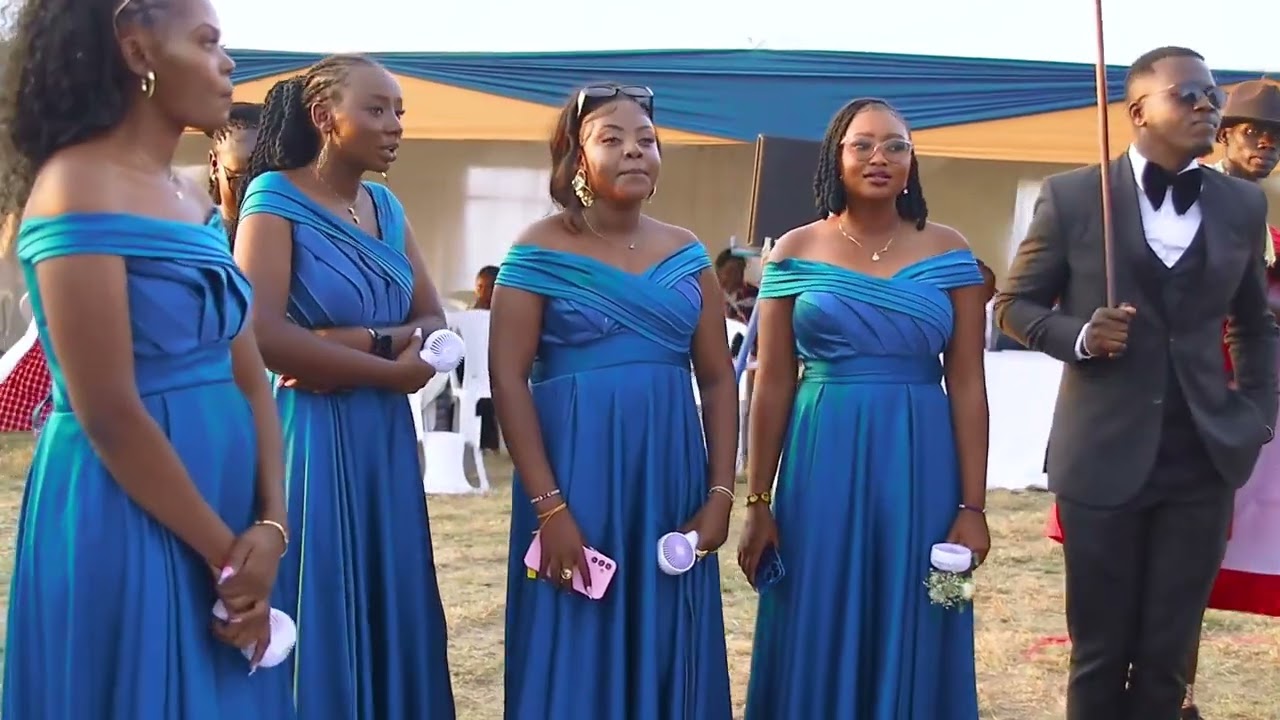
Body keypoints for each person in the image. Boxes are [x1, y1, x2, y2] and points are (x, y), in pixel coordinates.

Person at [0, 0, 294, 717]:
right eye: (207, 41)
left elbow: (250, 372)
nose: (228, 63)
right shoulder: (75, 187)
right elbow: (109, 412)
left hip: (228, 512)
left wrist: (272, 526)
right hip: (131, 509)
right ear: (136, 52)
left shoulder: (189, 193)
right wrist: (226, 557)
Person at [995, 47, 1278, 720]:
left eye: (1211, 95)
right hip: (1102, 456)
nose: (1207, 106)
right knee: (1098, 655)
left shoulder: (1240, 205)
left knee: (1167, 655)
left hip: (1204, 460)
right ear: (1138, 111)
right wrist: (1083, 336)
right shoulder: (1072, 196)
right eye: (1189, 95)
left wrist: (1258, 414)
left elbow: (1254, 325)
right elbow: (1013, 306)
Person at [491, 83, 737, 720]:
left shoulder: (687, 252)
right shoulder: (536, 249)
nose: (635, 151)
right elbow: (508, 378)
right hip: (574, 477)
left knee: (667, 632)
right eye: (612, 139)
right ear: (577, 158)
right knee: (575, 629)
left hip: (668, 479)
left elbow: (715, 379)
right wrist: (550, 507)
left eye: (647, 140)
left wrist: (719, 496)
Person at [739, 98, 989, 719]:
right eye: (863, 144)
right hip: (822, 455)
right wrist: (758, 502)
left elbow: (967, 384)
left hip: (922, 464)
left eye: (897, 145)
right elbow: (771, 382)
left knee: (932, 602)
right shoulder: (795, 250)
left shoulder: (950, 250)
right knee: (815, 601)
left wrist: (974, 507)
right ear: (835, 157)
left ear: (913, 160)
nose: (881, 157)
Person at [231, 54, 456, 719]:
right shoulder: (272, 197)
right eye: (377, 110)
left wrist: (346, 344)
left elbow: (434, 318)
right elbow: (261, 334)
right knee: (320, 589)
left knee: (392, 594)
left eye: (399, 113)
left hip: (384, 435)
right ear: (325, 117)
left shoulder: (385, 204)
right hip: (312, 431)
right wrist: (392, 362)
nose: (394, 126)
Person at [207, 101, 261, 233]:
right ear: (214, 166)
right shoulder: (197, 243)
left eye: (264, 177)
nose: (256, 192)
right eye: (242, 179)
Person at [715, 248, 758, 323]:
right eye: (731, 272)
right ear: (718, 273)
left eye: (741, 270)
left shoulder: (754, 294)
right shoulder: (709, 298)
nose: (738, 276)